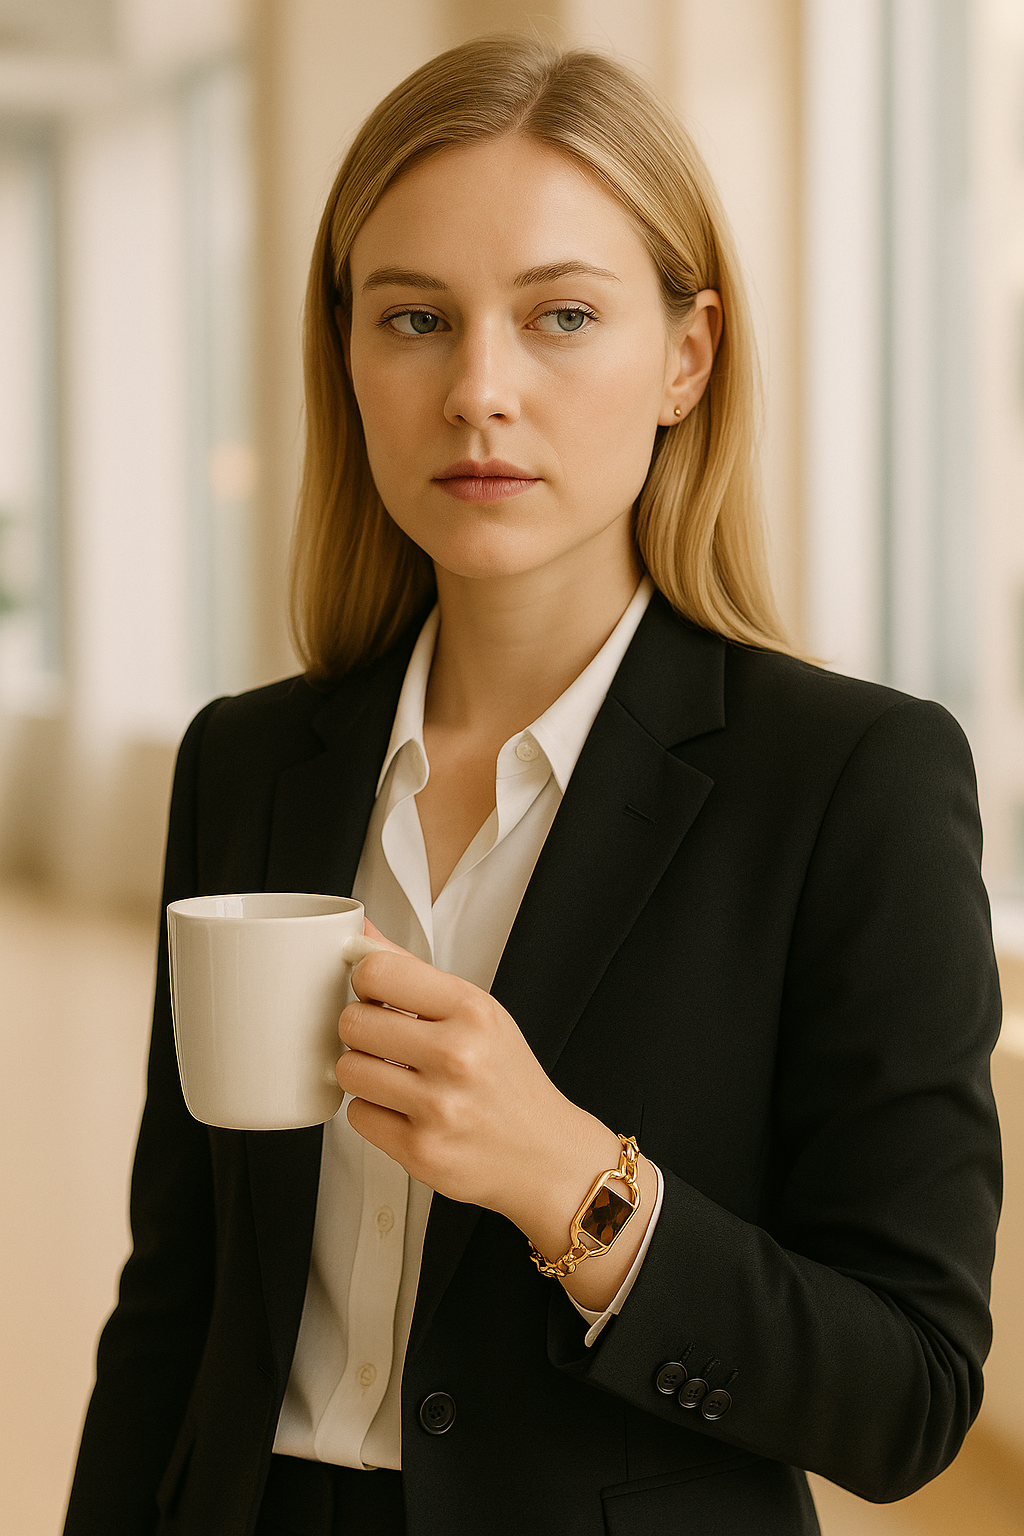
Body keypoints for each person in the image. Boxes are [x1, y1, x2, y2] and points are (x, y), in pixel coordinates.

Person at [63, 35, 1001, 1536]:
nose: (477, 391)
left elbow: (910, 1396)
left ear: (687, 357)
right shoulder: (243, 760)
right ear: (349, 355)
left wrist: (577, 1187)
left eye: (562, 314)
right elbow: (176, 1299)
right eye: (415, 318)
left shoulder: (853, 782)